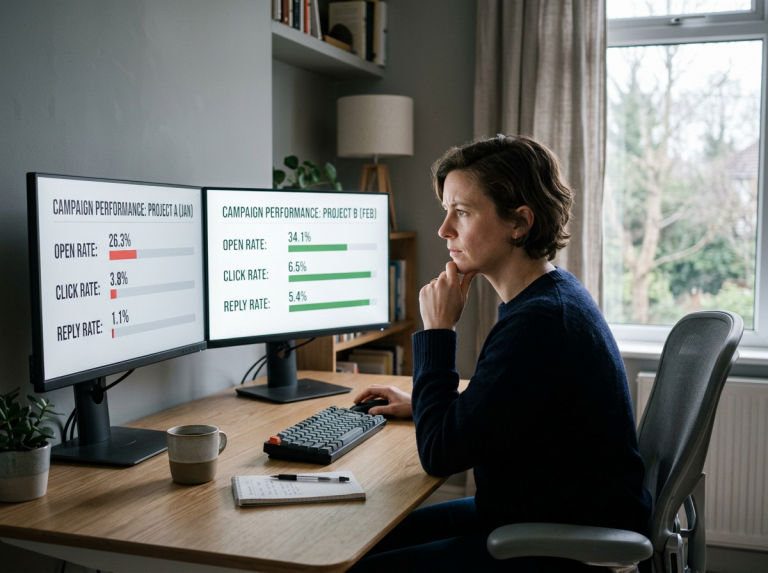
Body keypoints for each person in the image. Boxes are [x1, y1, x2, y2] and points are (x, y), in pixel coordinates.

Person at [348, 135, 652, 573]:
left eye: (464, 213)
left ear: (519, 223)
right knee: (362, 542)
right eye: (446, 211)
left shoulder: (540, 322)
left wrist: (438, 330)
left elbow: (440, 455)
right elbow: (504, 406)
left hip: (564, 540)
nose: (444, 229)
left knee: (357, 565)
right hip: (538, 512)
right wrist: (423, 405)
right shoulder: (549, 296)